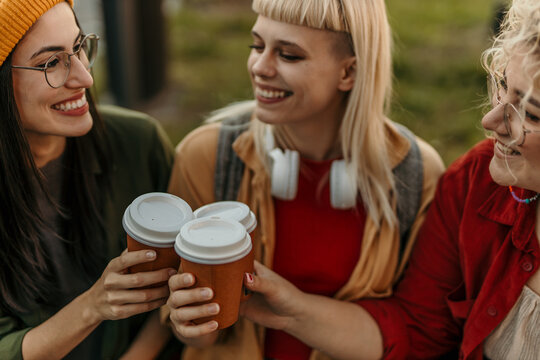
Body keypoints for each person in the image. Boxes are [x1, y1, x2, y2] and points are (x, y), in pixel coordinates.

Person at [225, 0, 540, 358]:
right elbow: (419, 330)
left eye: (529, 112)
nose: (490, 121)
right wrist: (292, 310)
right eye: (502, 86)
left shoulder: (414, 173)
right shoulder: (473, 183)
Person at [164, 0, 445, 358]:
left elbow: (416, 328)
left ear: (349, 73)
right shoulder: (206, 156)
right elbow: (194, 335)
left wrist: (294, 309)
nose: (259, 67)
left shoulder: (415, 174)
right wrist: (189, 320)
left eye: (289, 55)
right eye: (256, 46)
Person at [0, 1, 180, 359]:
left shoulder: (137, 143)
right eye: (51, 62)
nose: (85, 77)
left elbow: (182, 283)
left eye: (79, 47)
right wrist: (94, 306)